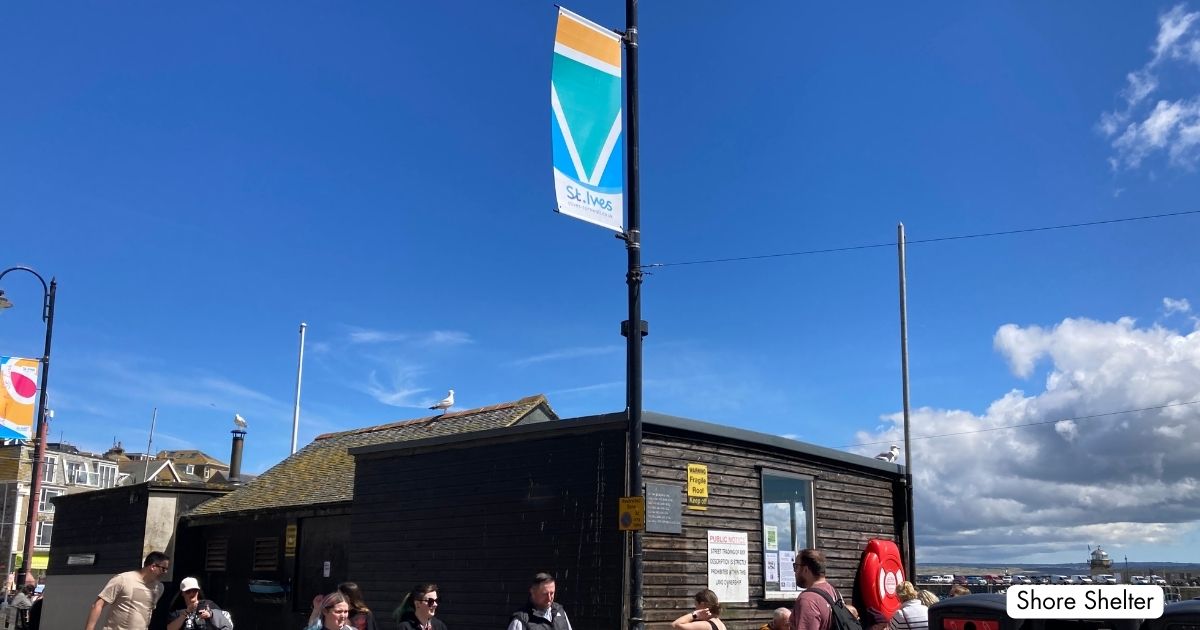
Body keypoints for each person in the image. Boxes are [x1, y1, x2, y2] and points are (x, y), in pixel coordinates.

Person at [84, 551, 170, 630]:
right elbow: (98, 605)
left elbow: (148, 612)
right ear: (153, 566)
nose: (165, 572)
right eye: (163, 569)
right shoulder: (123, 579)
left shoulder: (159, 588)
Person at [790, 548, 858, 630]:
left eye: (796, 566)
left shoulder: (807, 599)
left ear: (806, 569)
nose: (795, 571)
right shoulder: (834, 592)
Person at [166, 577, 232, 630]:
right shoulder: (177, 612)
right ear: (182, 593)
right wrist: (185, 613)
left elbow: (227, 623)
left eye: (194, 590)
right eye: (188, 591)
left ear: (198, 591)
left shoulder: (208, 604)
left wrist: (211, 614)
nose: (192, 593)